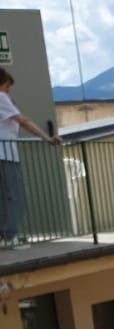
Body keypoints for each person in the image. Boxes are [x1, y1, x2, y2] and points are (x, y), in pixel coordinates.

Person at [0, 69, 61, 244]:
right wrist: (47, 138)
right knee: (13, 195)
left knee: (4, 196)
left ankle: (4, 235)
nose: (8, 92)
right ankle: (8, 236)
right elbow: (23, 121)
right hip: (5, 155)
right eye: (7, 88)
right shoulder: (1, 98)